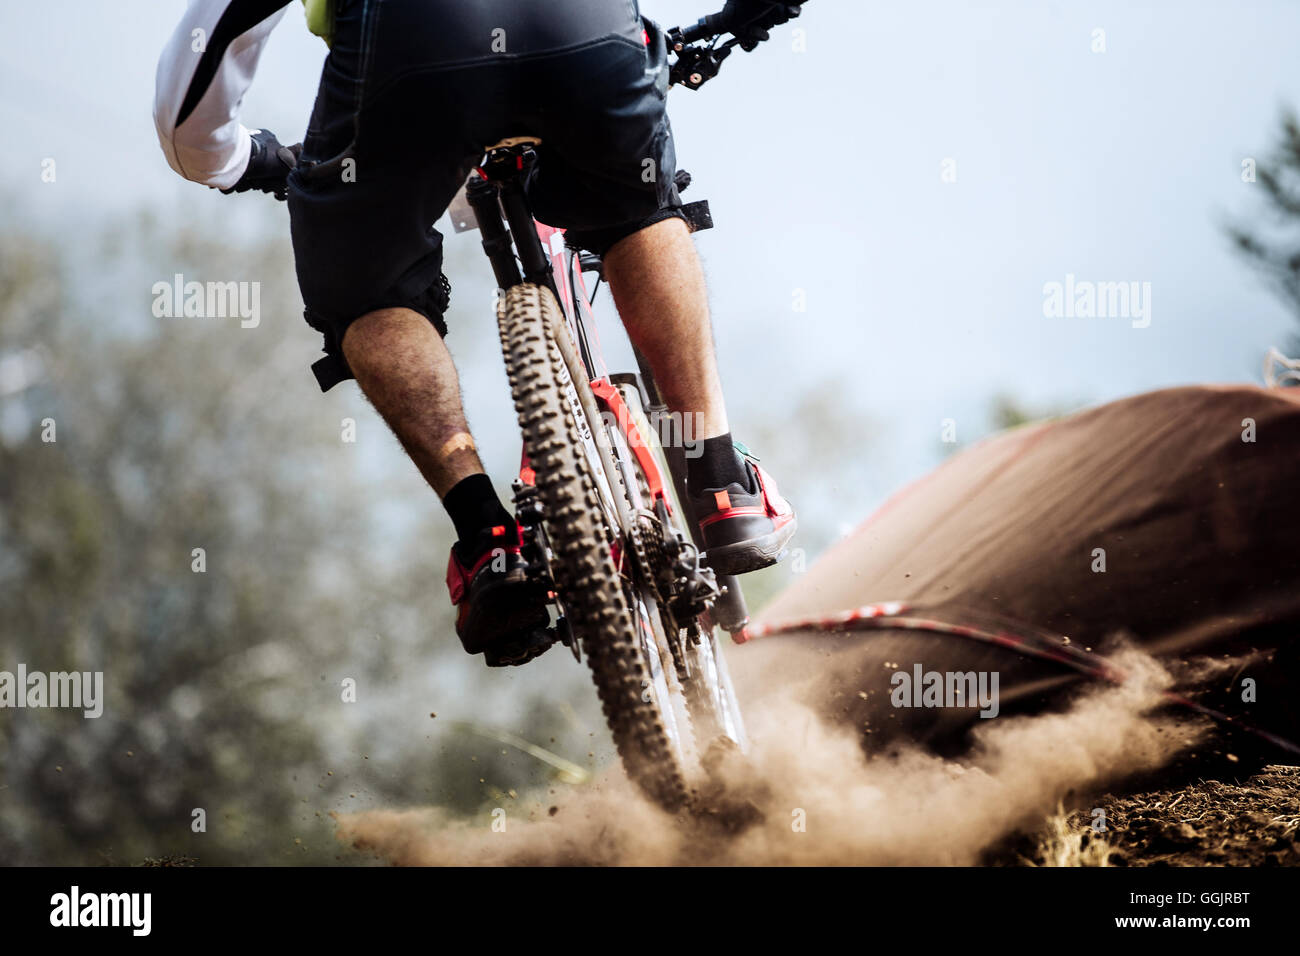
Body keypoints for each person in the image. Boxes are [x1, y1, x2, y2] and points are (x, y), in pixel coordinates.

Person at [154, 0, 799, 665]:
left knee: (364, 287)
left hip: (416, 52)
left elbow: (199, 76)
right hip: (580, 30)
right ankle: (721, 482)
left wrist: (236, 160)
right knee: (636, 205)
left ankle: (487, 542)